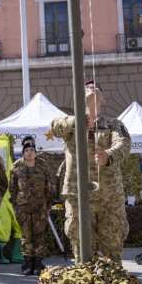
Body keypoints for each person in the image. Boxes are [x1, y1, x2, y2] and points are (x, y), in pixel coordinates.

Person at [49, 82, 131, 262]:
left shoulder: (113, 124)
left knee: (112, 245)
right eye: (87, 86)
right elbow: (55, 127)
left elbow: (124, 144)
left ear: (103, 99)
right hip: (78, 194)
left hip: (109, 195)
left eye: (96, 87)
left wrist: (108, 155)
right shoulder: (70, 124)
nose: (92, 87)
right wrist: (77, 119)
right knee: (82, 246)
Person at [10, 136, 55, 275]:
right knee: (26, 236)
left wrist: (48, 204)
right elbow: (12, 188)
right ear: (23, 153)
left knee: (39, 235)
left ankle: (38, 263)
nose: (29, 152)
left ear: (35, 152)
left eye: (31, 150)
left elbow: (51, 186)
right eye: (26, 150)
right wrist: (16, 206)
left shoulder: (43, 165)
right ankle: (28, 262)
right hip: (23, 207)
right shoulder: (17, 166)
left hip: (40, 207)